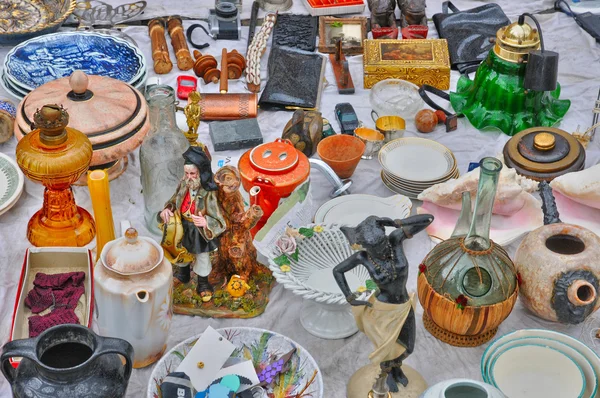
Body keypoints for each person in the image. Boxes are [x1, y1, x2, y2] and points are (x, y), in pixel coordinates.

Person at [333, 214, 433, 393]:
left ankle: (397, 367)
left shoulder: (395, 240)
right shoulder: (362, 257)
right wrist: (350, 296)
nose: (382, 250)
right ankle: (388, 374)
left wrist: (397, 223)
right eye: (375, 248)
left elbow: (429, 219)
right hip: (382, 309)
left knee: (408, 347)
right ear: (365, 247)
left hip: (404, 305)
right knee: (387, 350)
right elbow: (338, 271)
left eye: (382, 243)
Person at [159, 146, 226, 301]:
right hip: (182, 226)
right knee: (181, 250)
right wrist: (168, 209)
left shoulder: (208, 193)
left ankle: (203, 283)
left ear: (200, 174)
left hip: (199, 231)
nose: (189, 177)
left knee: (202, 257)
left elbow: (219, 220)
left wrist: (205, 221)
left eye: (193, 174)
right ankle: (183, 274)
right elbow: (174, 200)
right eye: (187, 173)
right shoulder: (183, 185)